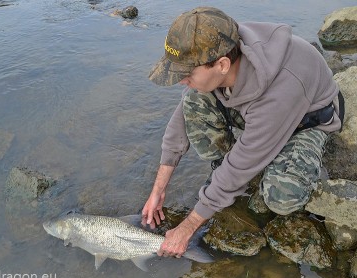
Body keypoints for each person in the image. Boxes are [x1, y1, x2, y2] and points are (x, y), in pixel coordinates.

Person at [141, 7, 344, 259]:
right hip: (261, 112)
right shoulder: (219, 44)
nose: (181, 80)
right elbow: (180, 121)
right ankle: (223, 179)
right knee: (194, 99)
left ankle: (233, 184)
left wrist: (187, 227)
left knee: (281, 198)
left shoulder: (278, 94)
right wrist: (158, 189)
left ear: (222, 65)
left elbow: (242, 162)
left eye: (186, 73)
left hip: (307, 120)